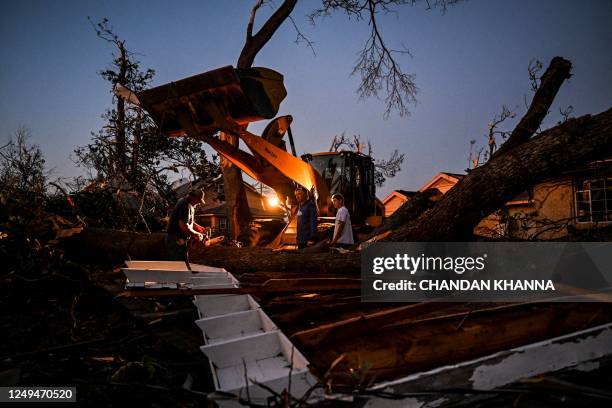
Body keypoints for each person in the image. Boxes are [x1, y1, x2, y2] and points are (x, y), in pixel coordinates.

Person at [166, 189, 207, 261]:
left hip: (179, 239)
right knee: (179, 264)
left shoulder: (187, 203)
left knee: (183, 262)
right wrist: (196, 234)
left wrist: (198, 227)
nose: (199, 204)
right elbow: (183, 225)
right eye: (199, 201)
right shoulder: (185, 205)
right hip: (176, 239)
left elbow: (187, 221)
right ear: (194, 197)